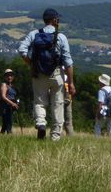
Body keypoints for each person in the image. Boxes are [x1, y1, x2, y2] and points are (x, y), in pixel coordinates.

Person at [18, 8, 75, 141]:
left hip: (38, 74)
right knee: (58, 104)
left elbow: (22, 49)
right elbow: (68, 62)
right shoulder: (61, 37)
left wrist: (31, 63)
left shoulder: (34, 34)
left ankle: (41, 123)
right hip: (56, 74)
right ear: (54, 20)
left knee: (39, 102)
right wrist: (71, 82)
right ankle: (55, 136)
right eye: (58, 18)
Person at [0, 69, 19, 134]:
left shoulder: (12, 86)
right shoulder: (4, 85)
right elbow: (3, 96)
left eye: (11, 76)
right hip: (5, 107)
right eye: (7, 76)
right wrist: (12, 103)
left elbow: (15, 97)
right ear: (5, 77)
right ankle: (9, 135)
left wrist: (17, 103)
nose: (9, 77)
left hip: (10, 107)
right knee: (8, 123)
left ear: (13, 77)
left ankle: (2, 136)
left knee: (5, 125)